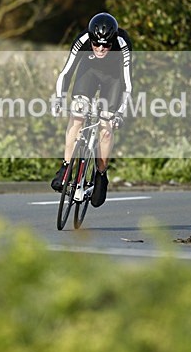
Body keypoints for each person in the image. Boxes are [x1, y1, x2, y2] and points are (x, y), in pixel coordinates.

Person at [50, 12, 133, 207]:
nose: (101, 48)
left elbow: (128, 83)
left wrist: (120, 112)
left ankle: (101, 174)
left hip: (113, 79)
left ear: (113, 41)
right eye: (97, 44)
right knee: (77, 114)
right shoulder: (83, 39)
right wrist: (59, 98)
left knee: (106, 125)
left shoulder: (122, 42)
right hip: (88, 72)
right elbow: (66, 73)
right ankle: (66, 166)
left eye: (106, 45)